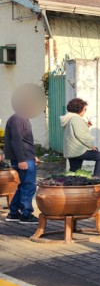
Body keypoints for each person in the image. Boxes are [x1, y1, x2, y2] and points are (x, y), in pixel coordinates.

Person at [4, 84, 44, 224]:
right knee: (29, 186)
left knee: (24, 186)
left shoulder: (21, 117)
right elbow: (16, 141)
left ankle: (13, 212)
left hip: (27, 157)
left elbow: (25, 140)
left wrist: (32, 156)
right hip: (23, 159)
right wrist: (22, 160)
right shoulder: (18, 118)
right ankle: (26, 214)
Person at [60, 98, 100, 180]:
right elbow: (81, 135)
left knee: (74, 172)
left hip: (70, 150)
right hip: (78, 151)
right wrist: (91, 146)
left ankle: (70, 188)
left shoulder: (69, 118)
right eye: (85, 109)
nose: (85, 111)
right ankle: (98, 179)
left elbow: (74, 132)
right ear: (79, 108)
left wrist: (85, 125)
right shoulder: (76, 119)